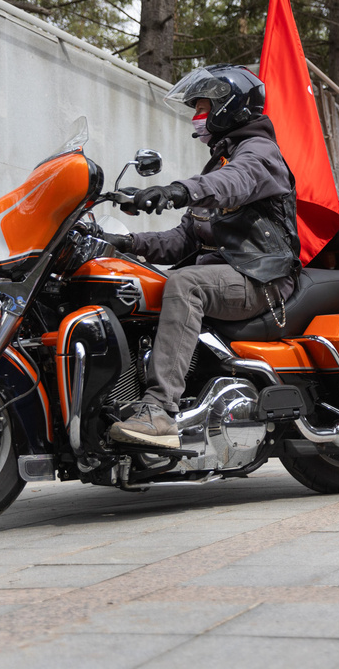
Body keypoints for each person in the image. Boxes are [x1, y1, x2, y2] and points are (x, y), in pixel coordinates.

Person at [99, 64, 300, 448]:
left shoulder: (259, 153)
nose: (197, 117)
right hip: (233, 272)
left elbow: (232, 184)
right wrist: (124, 243)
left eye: (204, 106)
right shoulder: (221, 161)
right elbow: (183, 239)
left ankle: (159, 410)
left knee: (185, 283)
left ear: (231, 107)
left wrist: (177, 190)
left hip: (261, 277)